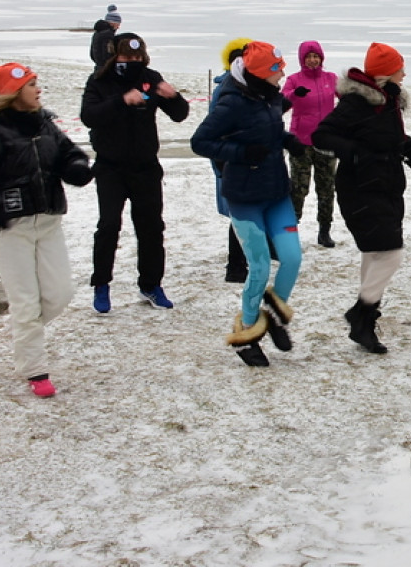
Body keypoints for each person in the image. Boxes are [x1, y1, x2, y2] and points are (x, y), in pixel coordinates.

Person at [0, 63, 93, 397]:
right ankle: (35, 370)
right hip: (12, 228)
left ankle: (25, 333)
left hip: (49, 222)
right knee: (25, 303)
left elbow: (68, 153)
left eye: (37, 83)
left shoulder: (46, 124)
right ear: (12, 92)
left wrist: (77, 167)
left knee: (60, 294)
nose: (38, 90)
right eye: (31, 84)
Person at [191, 41, 304, 366]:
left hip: (276, 191)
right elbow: (199, 142)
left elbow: (269, 132)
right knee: (260, 268)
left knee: (293, 259)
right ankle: (247, 335)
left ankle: (273, 317)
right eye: (277, 68)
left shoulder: (269, 97)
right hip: (244, 198)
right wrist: (240, 154)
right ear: (258, 74)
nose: (283, 72)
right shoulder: (231, 103)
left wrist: (288, 141)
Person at [312, 42, 411, 354]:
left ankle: (365, 325)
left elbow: (380, 136)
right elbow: (322, 135)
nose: (405, 73)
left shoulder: (387, 101)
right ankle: (361, 312)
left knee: (375, 254)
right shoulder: (358, 102)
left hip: (386, 186)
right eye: (401, 67)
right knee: (391, 254)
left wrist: (407, 146)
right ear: (388, 72)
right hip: (360, 187)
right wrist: (355, 154)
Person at [80, 32, 189, 313]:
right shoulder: (100, 80)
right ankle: (101, 284)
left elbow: (179, 114)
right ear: (115, 56)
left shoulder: (150, 78)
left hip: (145, 168)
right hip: (110, 168)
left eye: (138, 57)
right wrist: (121, 101)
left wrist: (174, 96)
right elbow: (88, 116)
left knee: (151, 228)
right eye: (127, 57)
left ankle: (151, 284)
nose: (133, 62)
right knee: (108, 227)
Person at [282, 40, 339, 248]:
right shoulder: (294, 80)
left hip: (326, 142)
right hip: (301, 142)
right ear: (302, 59)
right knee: (299, 189)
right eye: (309, 57)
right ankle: (290, 231)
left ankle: (325, 231)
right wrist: (294, 95)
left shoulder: (331, 79)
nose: (313, 60)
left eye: (316, 57)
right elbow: (281, 103)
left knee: (326, 188)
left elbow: (348, 98)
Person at [212, 38, 253, 283]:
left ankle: (248, 259)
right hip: (233, 160)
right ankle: (235, 266)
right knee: (240, 214)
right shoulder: (226, 88)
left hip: (251, 159)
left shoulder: (251, 86)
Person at [90, 4, 121, 71]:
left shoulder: (97, 33)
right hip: (106, 70)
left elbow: (92, 54)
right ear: (112, 23)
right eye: (118, 24)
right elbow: (108, 54)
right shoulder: (108, 35)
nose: (118, 27)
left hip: (98, 67)